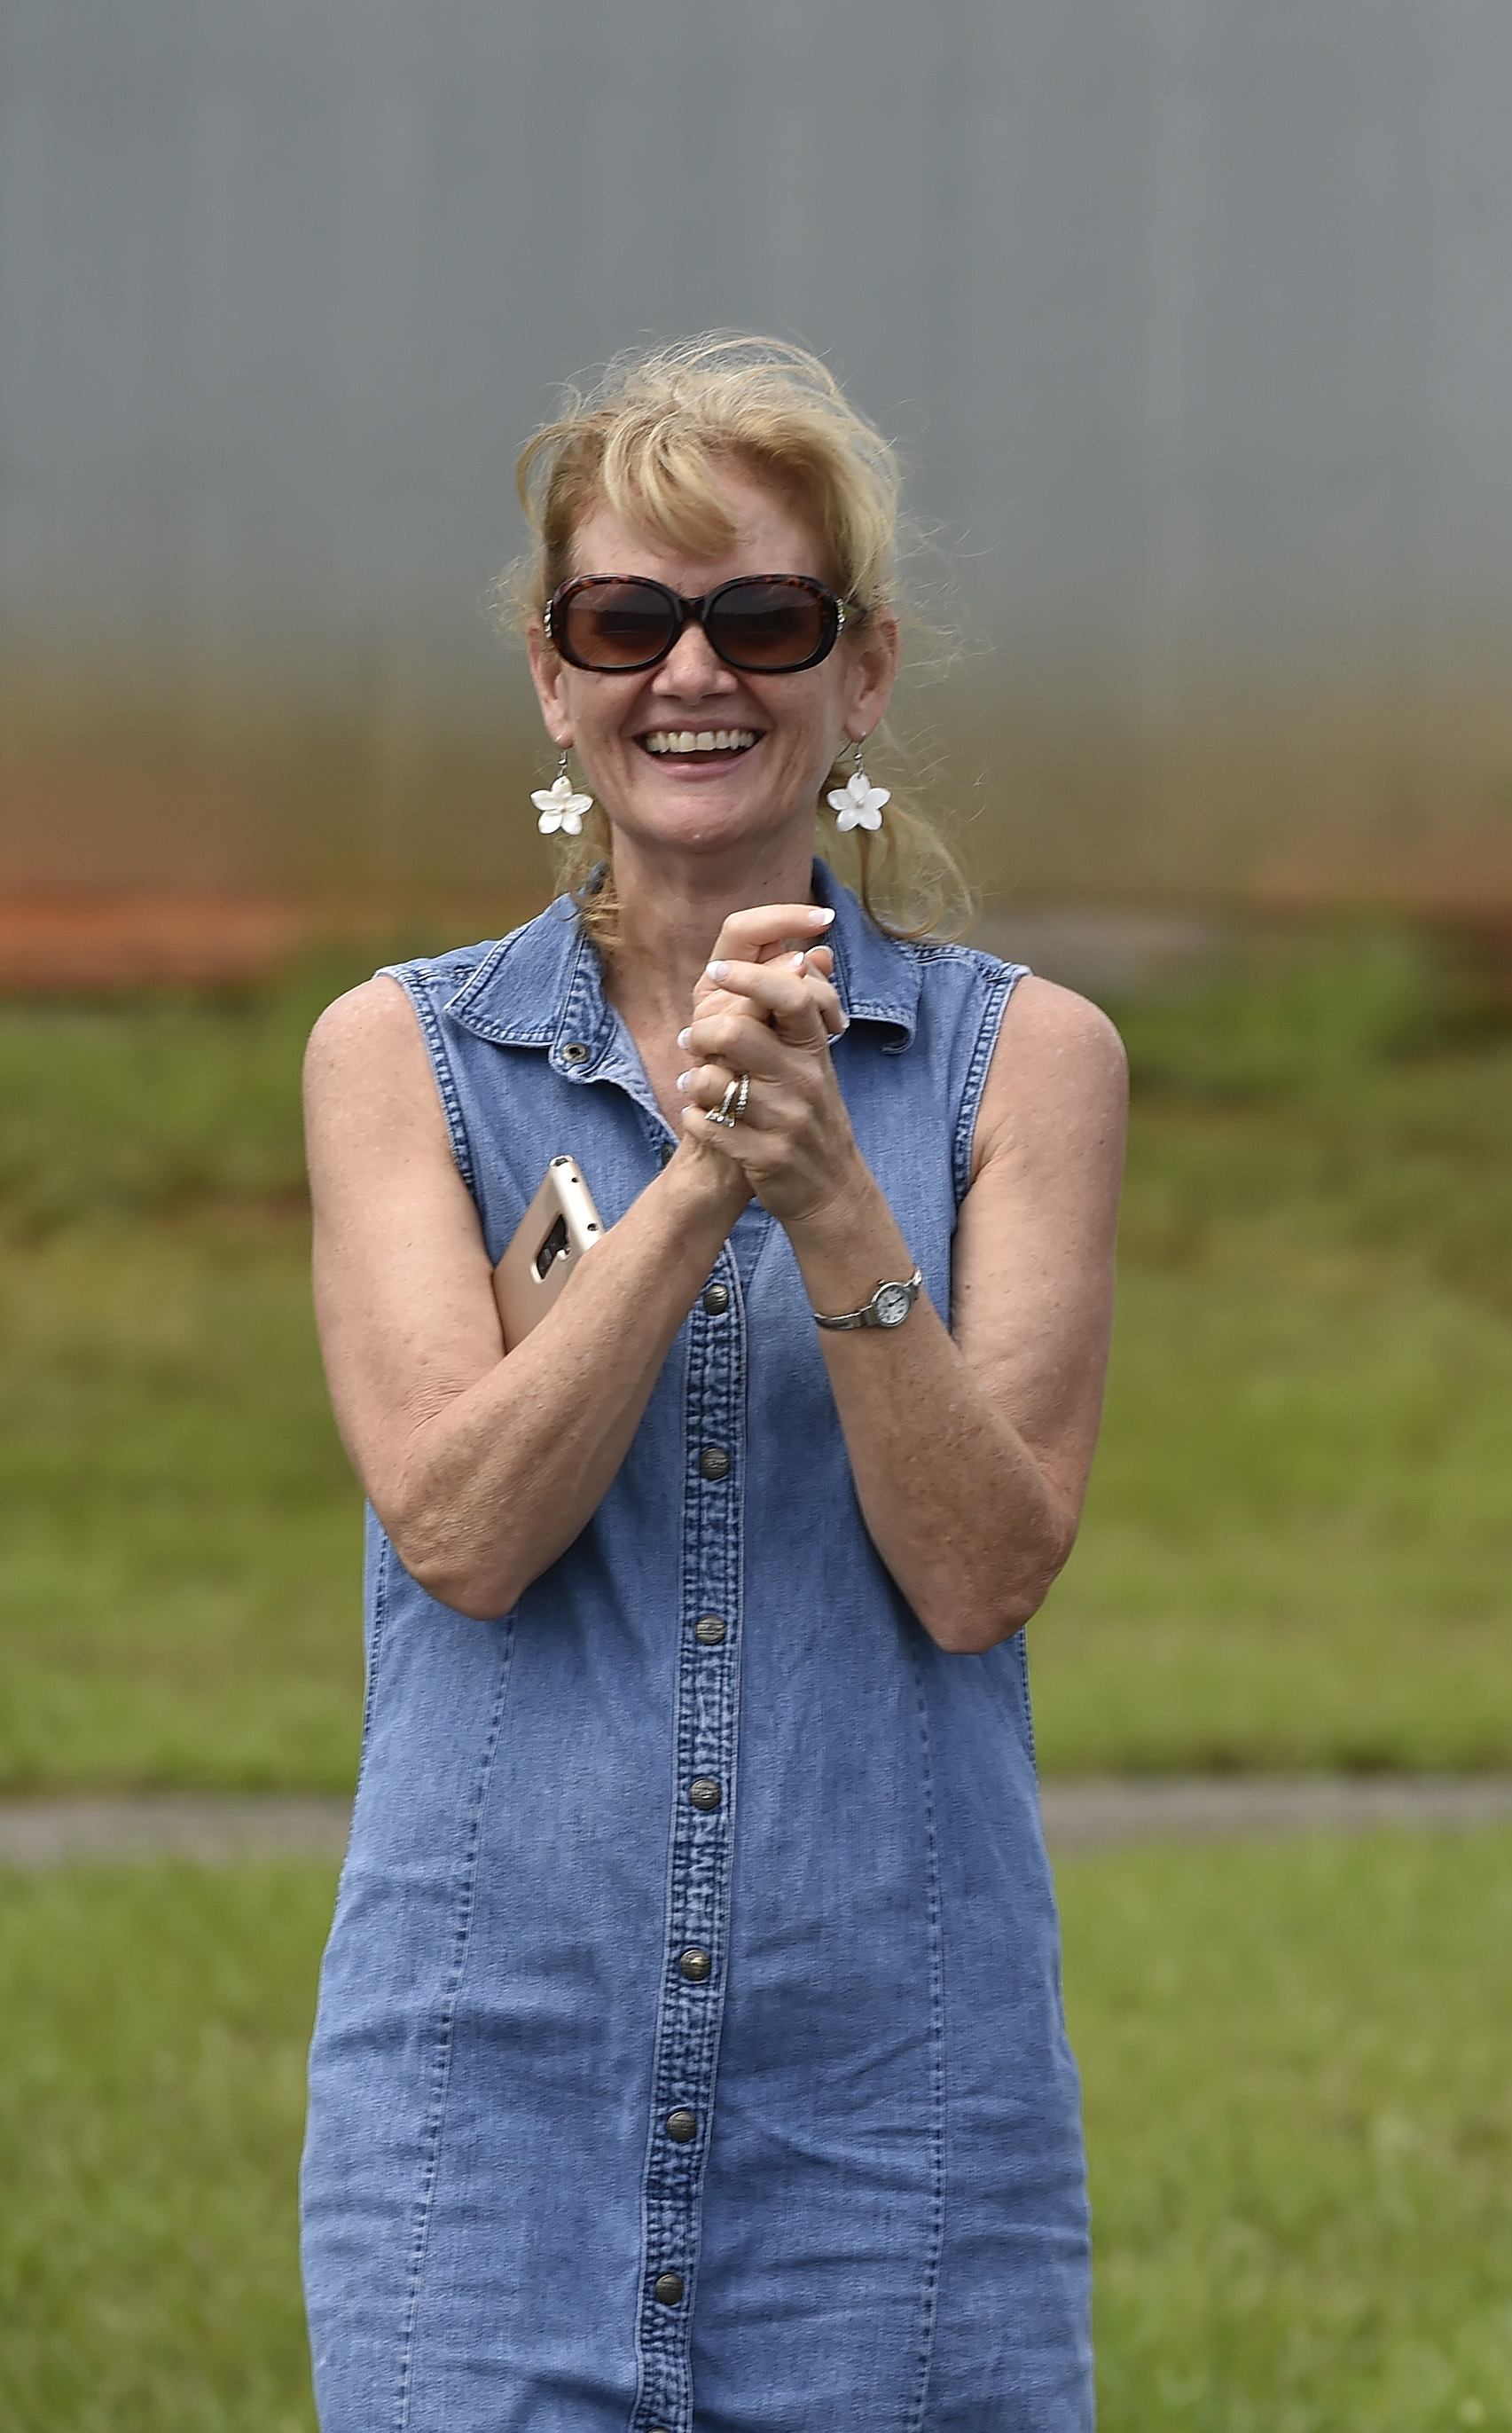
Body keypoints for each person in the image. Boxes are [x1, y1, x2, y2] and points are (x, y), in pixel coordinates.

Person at [298, 335, 1127, 2430]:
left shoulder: (1033, 1064)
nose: (695, 673)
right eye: (626, 619)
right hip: (481, 2110)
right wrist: (694, 1186)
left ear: (863, 672)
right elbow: (465, 1530)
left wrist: (838, 1200)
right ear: (552, 676)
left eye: (762, 617)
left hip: (898, 2115)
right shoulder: (393, 1055)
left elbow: (982, 1575)